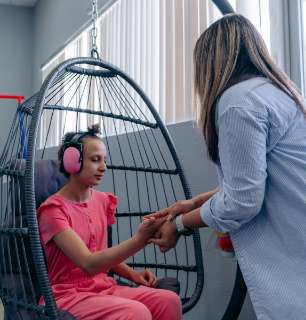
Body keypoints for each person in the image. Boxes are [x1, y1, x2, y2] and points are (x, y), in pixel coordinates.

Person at [149, 14, 306, 320]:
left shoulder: (237, 102)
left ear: (209, 63)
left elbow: (241, 201)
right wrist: (192, 204)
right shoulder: (278, 94)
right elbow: (250, 180)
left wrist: (179, 226)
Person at [37, 124, 182, 320]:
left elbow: (101, 254)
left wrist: (133, 275)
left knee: (169, 301)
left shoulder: (103, 201)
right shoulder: (53, 210)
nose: (104, 167)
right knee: (136, 313)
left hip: (102, 286)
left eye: (104, 160)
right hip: (67, 295)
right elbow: (89, 263)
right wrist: (140, 240)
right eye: (95, 160)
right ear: (72, 162)